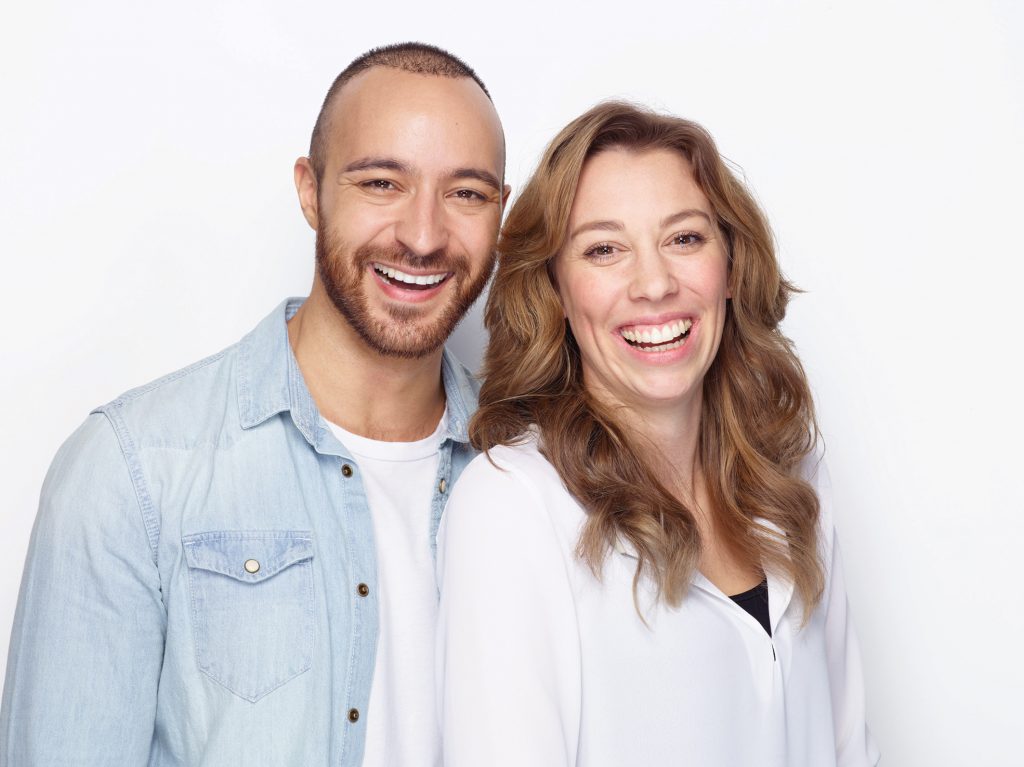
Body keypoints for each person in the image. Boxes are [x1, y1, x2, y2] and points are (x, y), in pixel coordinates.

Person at [0, 42, 509, 766]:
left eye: (466, 193)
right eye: (380, 183)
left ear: (500, 211)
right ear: (310, 189)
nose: (423, 235)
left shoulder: (532, 472)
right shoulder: (132, 471)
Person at [436, 102, 880, 766]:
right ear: (556, 290)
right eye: (605, 249)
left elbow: (852, 750)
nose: (654, 284)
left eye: (684, 238)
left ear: (730, 266)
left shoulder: (792, 473)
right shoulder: (512, 504)